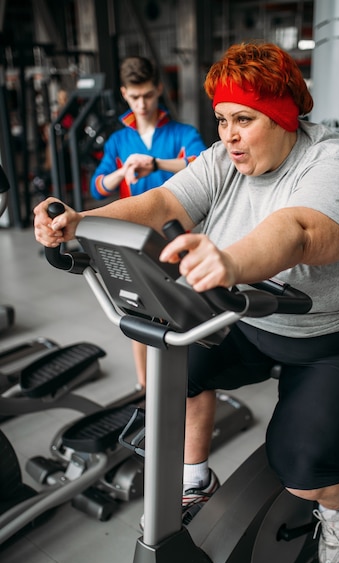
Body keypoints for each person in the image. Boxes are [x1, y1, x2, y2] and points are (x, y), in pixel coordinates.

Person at [34, 41, 339, 563]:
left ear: (284, 117)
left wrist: (230, 260)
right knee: (175, 368)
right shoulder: (224, 161)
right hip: (256, 315)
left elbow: (303, 232)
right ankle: (196, 479)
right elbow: (164, 203)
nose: (229, 135)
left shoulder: (336, 162)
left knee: (305, 467)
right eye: (221, 120)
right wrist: (82, 220)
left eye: (243, 119)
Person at [90, 56, 206, 388]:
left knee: (183, 311)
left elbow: (201, 166)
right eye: (134, 97)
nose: (142, 104)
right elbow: (97, 187)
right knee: (137, 311)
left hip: (174, 238)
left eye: (148, 96)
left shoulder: (182, 133)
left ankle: (190, 382)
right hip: (131, 239)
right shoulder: (117, 141)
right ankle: (145, 387)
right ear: (125, 94)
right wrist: (120, 173)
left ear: (158, 90)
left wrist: (156, 164)